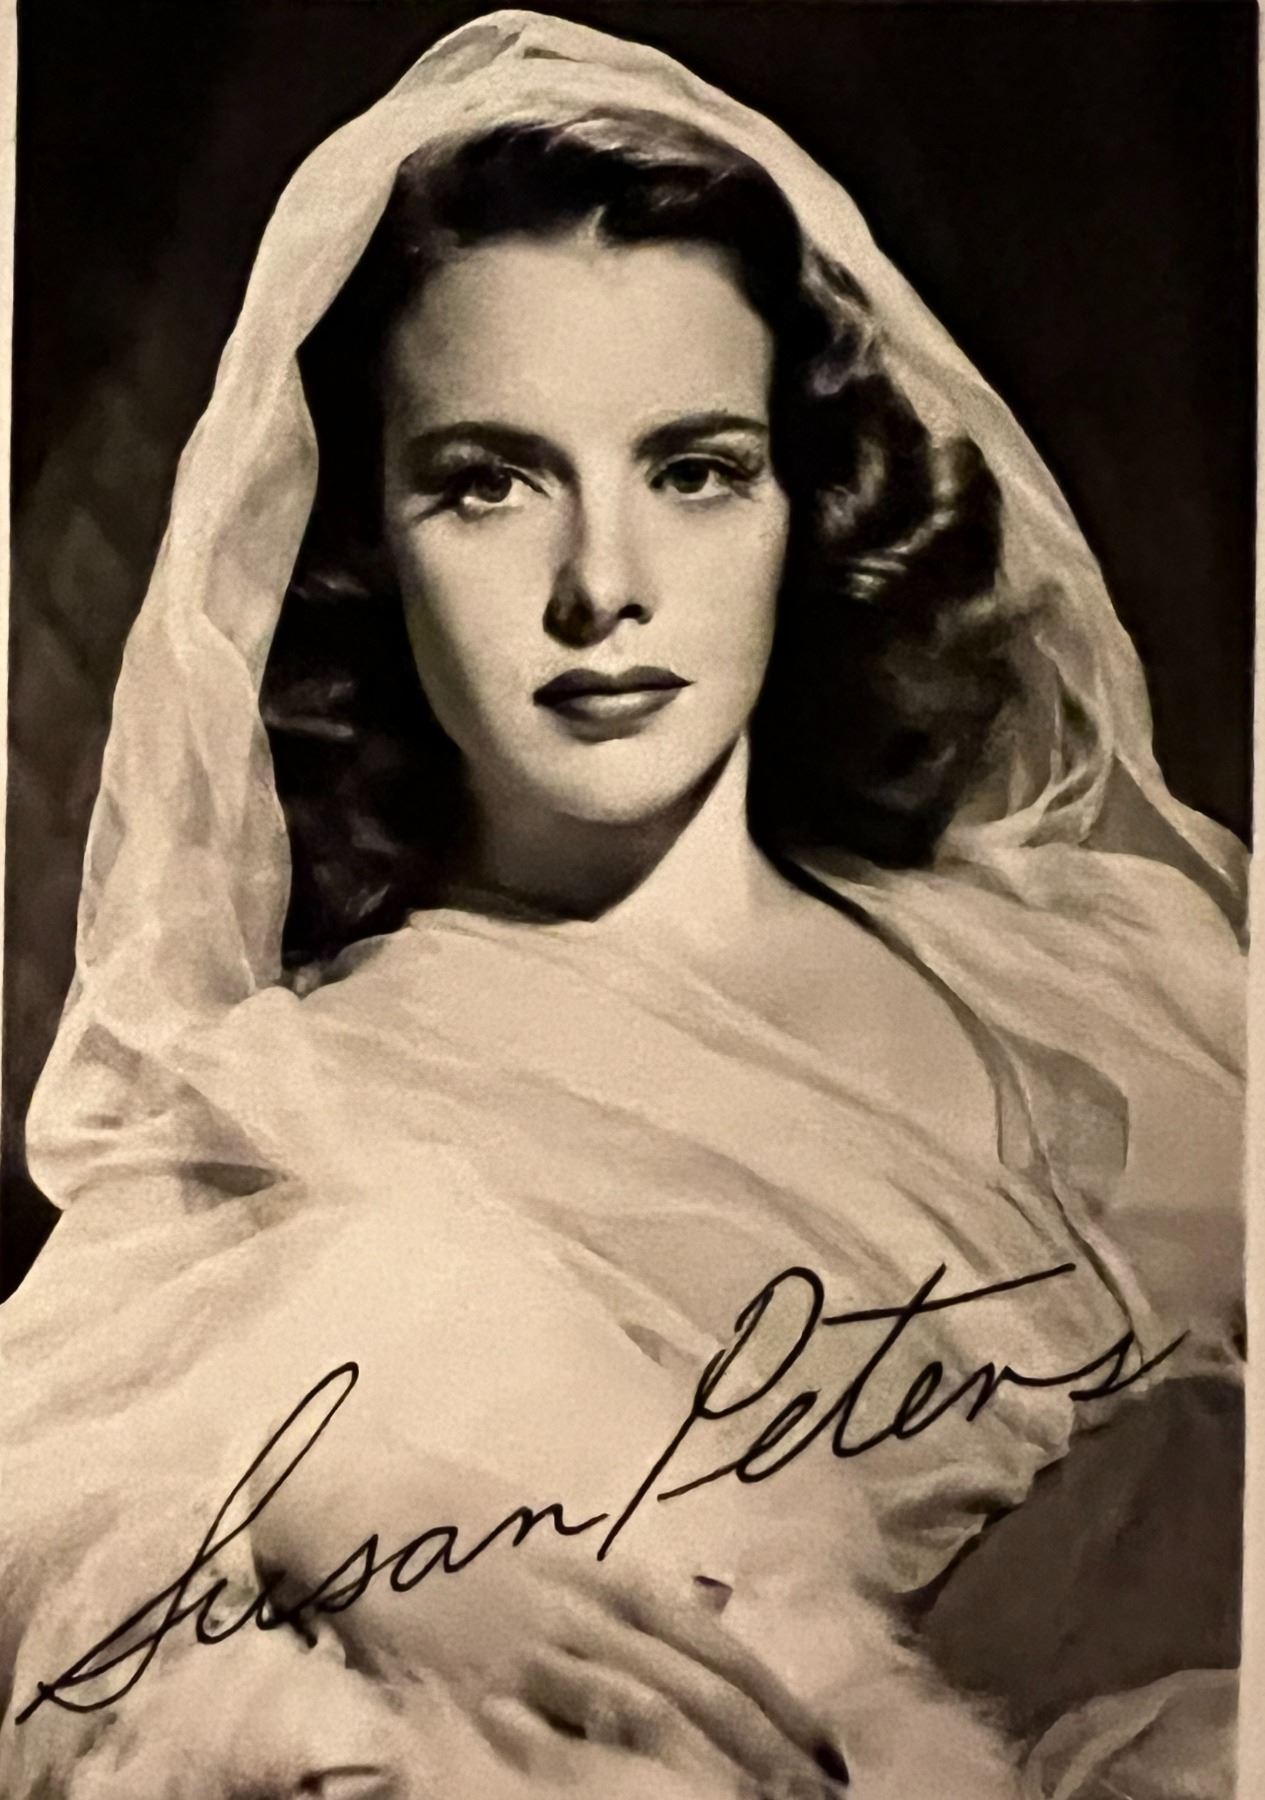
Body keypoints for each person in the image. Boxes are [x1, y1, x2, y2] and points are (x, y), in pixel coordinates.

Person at [0, 11, 1244, 1799]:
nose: (601, 586)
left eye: (694, 469)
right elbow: (52, 1492)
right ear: (362, 539)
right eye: (486, 483)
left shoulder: (1113, 960)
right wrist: (319, 1511)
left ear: (803, 500)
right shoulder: (301, 1098)